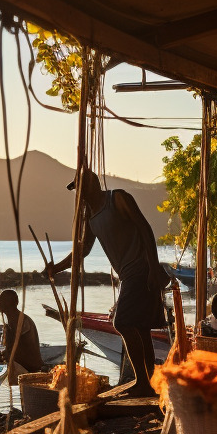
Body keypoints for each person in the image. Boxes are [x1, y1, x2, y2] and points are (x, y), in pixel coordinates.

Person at [44, 168, 168, 397]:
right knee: (140, 328)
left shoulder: (117, 198)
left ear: (90, 185)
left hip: (140, 269)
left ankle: (142, 382)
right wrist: (57, 268)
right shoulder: (90, 217)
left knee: (122, 322)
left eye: (80, 189)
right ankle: (150, 383)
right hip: (127, 274)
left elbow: (145, 228)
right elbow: (83, 249)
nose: (78, 195)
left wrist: (153, 267)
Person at [0, 289, 44, 384]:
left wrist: (3, 357)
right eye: (0, 301)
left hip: (26, 367)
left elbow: (17, 350)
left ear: (13, 303)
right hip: (17, 362)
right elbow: (9, 348)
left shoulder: (21, 321)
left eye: (3, 301)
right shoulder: (10, 321)